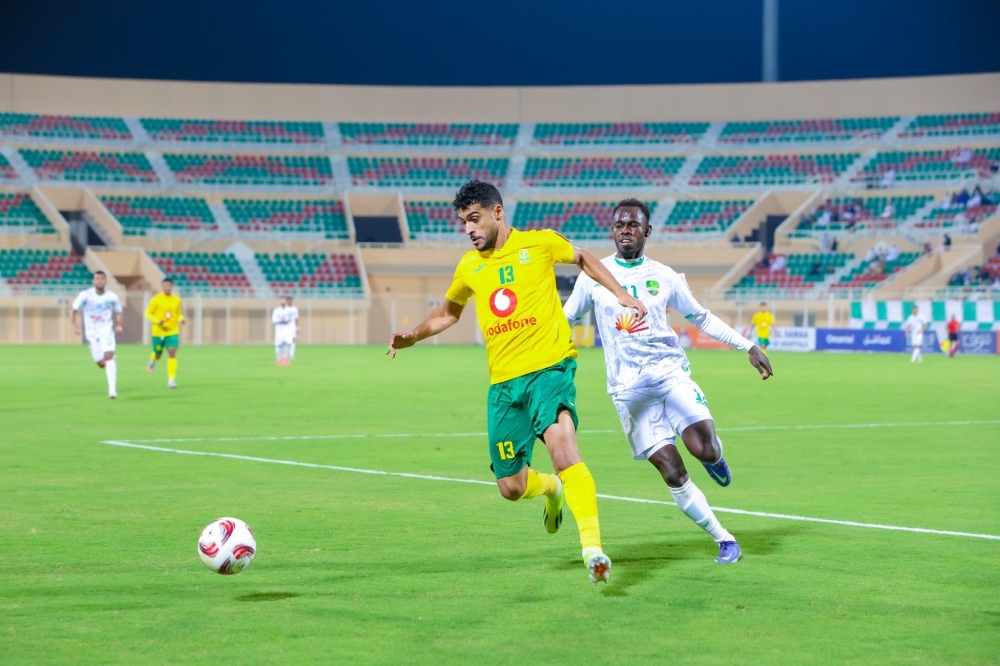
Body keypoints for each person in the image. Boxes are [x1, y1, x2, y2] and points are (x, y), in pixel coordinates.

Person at [386, 180, 647, 584]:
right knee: (510, 486)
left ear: (497, 213)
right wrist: (413, 335)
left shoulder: (540, 243)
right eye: (463, 223)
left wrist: (622, 295)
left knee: (564, 452)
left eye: (474, 219)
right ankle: (551, 491)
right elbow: (448, 312)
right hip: (504, 386)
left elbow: (583, 258)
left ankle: (592, 549)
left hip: (550, 369)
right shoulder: (469, 267)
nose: (469, 229)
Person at [563, 199, 773, 565]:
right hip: (628, 391)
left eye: (633, 224)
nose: (625, 229)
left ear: (646, 231)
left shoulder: (666, 276)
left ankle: (715, 458)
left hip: (670, 374)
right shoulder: (593, 277)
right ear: (612, 231)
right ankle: (724, 539)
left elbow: (701, 318)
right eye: (619, 224)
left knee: (704, 448)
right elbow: (563, 319)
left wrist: (748, 345)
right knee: (672, 471)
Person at [71, 271, 124, 399]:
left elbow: (119, 312)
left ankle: (112, 389)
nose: (99, 281)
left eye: (102, 279)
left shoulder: (112, 297)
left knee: (108, 355)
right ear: (93, 281)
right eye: (97, 279)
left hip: (106, 329)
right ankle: (110, 365)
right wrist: (75, 325)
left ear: (105, 281)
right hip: (91, 332)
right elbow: (73, 310)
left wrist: (118, 325)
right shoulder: (85, 295)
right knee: (101, 363)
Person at [145, 277, 184, 388]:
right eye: (165, 285)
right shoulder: (156, 299)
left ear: (172, 287)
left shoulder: (176, 300)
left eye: (169, 285)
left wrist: (181, 319)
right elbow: (147, 313)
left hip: (172, 331)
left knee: (172, 352)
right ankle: (152, 361)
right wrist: (158, 321)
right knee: (158, 354)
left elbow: (178, 313)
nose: (167, 287)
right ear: (162, 287)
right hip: (158, 331)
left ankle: (171, 380)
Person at [272, 295, 300, 365]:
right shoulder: (276, 310)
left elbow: (292, 319)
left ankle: (285, 356)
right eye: (282, 300)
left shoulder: (290, 310)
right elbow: (273, 320)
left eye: (284, 300)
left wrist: (296, 327)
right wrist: (280, 320)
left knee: (288, 343)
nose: (283, 301)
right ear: (280, 301)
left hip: (287, 328)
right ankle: (279, 359)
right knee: (279, 345)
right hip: (279, 329)